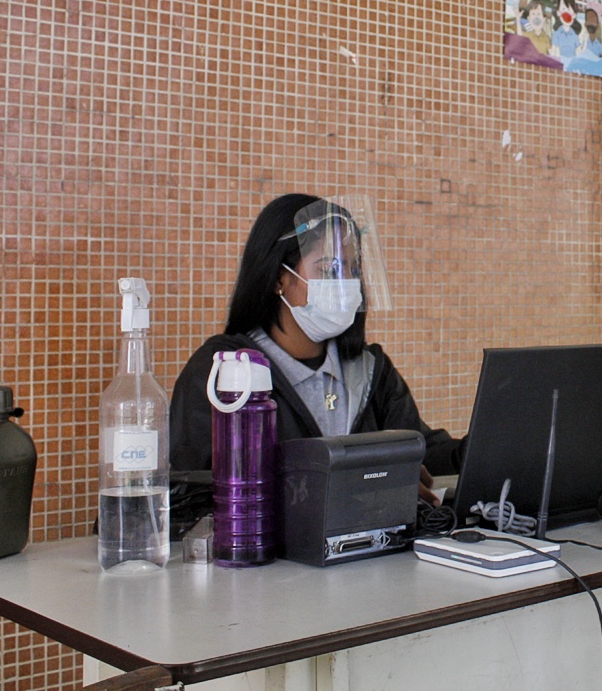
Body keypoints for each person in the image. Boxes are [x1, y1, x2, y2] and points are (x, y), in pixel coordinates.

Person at [169, 194, 462, 505]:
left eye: (352, 269)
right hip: (275, 553)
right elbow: (196, 490)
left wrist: (493, 444)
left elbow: (421, 452)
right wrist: (356, 488)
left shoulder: (368, 369)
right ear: (279, 277)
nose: (346, 283)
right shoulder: (225, 371)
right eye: (329, 268)